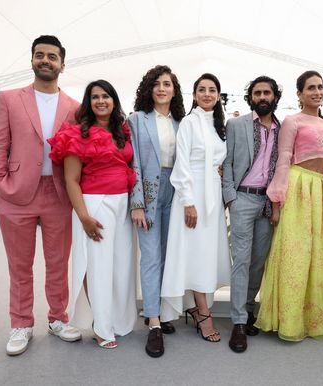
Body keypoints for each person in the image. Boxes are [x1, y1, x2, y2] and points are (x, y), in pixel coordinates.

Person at [0, 35, 82, 356]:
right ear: (32, 60)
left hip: (58, 194)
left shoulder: (75, 107)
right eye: (40, 55)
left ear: (62, 64)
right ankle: (21, 324)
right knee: (20, 266)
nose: (46, 60)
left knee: (58, 263)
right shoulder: (9, 98)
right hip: (16, 193)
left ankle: (58, 318)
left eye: (52, 56)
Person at [255, 70, 323, 341]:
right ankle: (290, 321)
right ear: (299, 94)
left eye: (320, 87)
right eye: (310, 88)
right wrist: (277, 201)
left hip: (321, 191)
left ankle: (320, 319)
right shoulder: (292, 121)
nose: (317, 92)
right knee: (296, 255)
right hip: (298, 189)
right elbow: (284, 159)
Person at [49, 80, 137, 349]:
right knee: (97, 266)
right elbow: (71, 180)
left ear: (114, 101)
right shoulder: (77, 134)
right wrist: (84, 217)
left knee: (122, 266)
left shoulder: (123, 131)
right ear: (89, 103)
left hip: (122, 203)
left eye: (106, 96)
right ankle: (101, 326)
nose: (101, 101)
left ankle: (118, 320)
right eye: (95, 97)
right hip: (94, 204)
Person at [160, 73, 231, 342]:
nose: (207, 94)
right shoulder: (188, 123)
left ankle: (195, 304)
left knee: (205, 254)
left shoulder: (218, 125)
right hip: (192, 196)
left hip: (213, 193)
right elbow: (183, 165)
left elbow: (221, 159)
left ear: (218, 95)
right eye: (201, 90)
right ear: (193, 95)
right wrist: (188, 202)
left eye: (212, 90)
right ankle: (203, 314)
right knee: (197, 253)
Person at [128, 65, 185, 357]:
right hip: (149, 194)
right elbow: (133, 162)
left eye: (167, 84)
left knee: (167, 256)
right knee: (150, 257)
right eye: (157, 84)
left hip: (174, 193)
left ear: (174, 90)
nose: (162, 88)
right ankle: (152, 322)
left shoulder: (180, 122)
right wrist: (137, 203)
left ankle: (162, 311)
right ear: (149, 89)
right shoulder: (137, 120)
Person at [222, 75, 282, 353]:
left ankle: (247, 310)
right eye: (257, 93)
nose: (262, 97)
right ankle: (238, 322)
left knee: (258, 262)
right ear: (251, 97)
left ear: (274, 96)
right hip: (244, 198)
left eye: (266, 93)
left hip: (268, 203)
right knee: (241, 261)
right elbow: (228, 161)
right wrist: (231, 198)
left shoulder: (284, 130)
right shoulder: (236, 124)